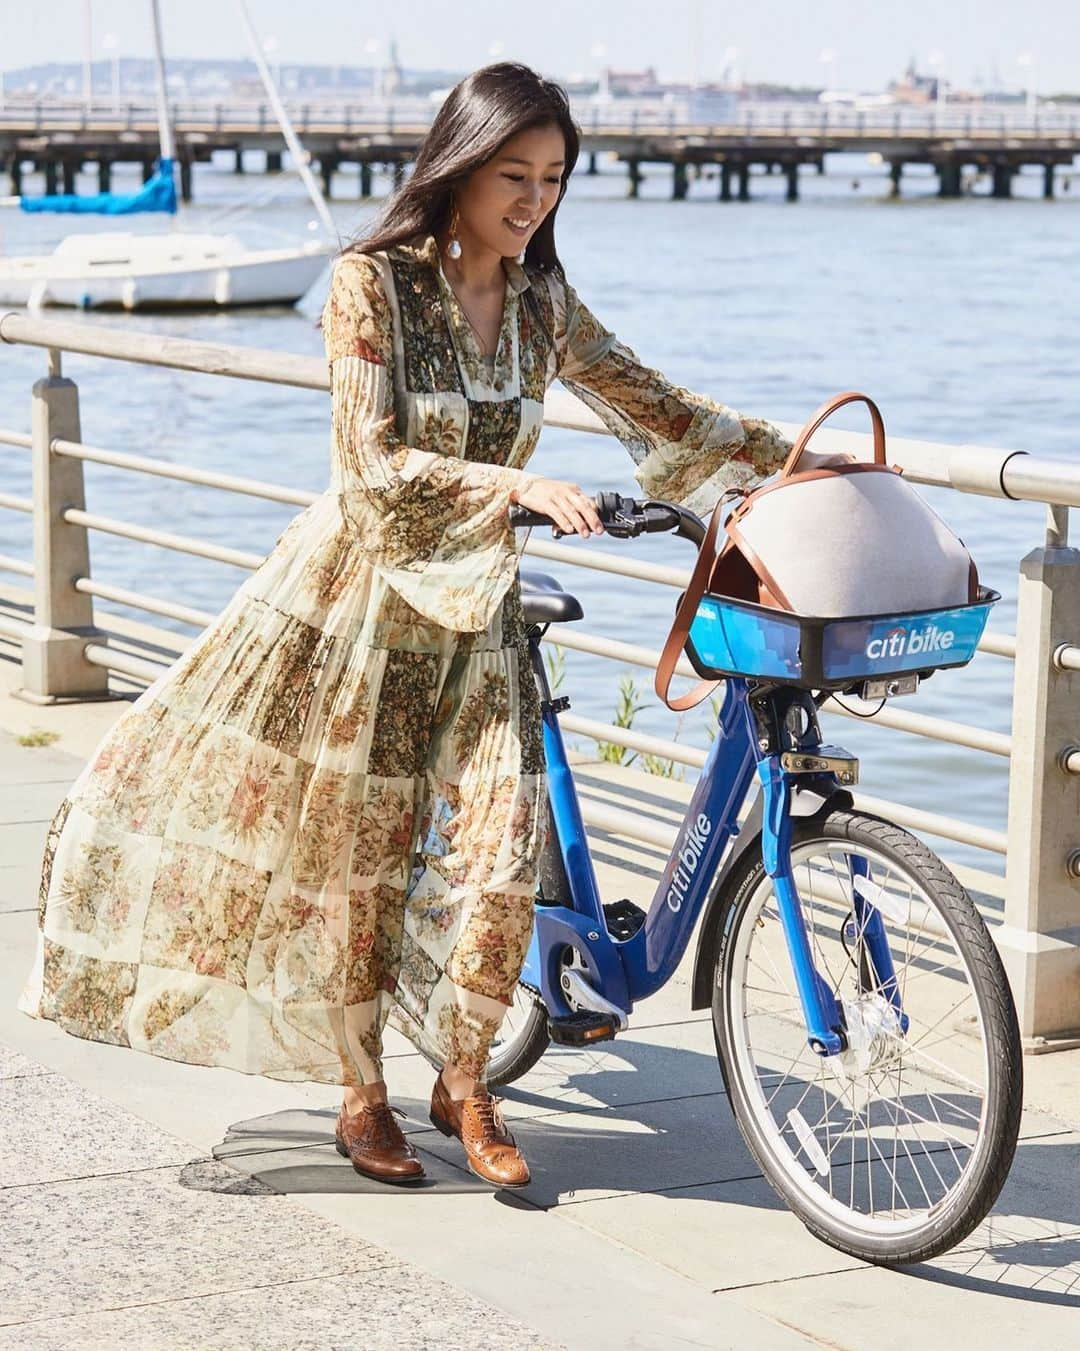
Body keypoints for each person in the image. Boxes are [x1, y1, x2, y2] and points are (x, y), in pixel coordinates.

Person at [20, 62, 830, 1190]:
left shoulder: (544, 303)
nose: (534, 200)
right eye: (514, 174)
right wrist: (513, 488)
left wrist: (796, 455)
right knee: (362, 853)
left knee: (498, 857)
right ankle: (363, 1096)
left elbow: (656, 405)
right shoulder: (371, 285)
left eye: (552, 179)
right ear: (458, 165)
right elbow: (368, 465)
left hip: (477, 611)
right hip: (359, 606)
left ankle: (466, 1083)